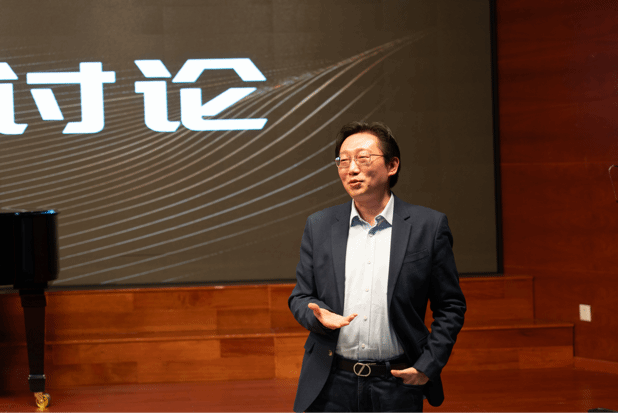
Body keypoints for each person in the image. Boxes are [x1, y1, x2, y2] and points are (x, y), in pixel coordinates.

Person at [288, 121, 466, 413]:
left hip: (396, 382)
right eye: (343, 160)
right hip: (331, 381)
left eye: (363, 158)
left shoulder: (428, 226)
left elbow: (450, 306)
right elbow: (300, 297)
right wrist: (318, 317)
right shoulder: (319, 225)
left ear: (392, 165)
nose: (351, 169)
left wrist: (429, 364)